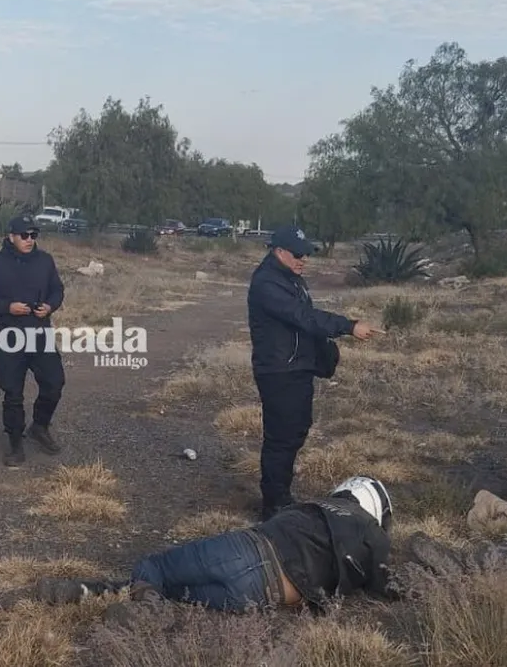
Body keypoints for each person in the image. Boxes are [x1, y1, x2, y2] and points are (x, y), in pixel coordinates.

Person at [36, 476, 396, 613]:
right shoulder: (374, 538)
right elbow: (387, 586)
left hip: (250, 549)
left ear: (350, 492)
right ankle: (93, 593)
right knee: (172, 593)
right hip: (264, 597)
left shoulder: (315, 506)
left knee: (156, 569)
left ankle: (130, 608)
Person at [247, 225, 381, 520]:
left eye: (306, 253)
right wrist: (348, 326)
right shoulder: (267, 283)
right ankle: (274, 506)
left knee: (295, 431)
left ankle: (281, 496)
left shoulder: (291, 278)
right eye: (297, 253)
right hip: (279, 371)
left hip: (296, 368)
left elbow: (304, 322)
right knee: (281, 438)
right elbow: (303, 317)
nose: (303, 258)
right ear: (278, 251)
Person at [0, 213, 66, 467]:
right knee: (13, 393)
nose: (29, 240)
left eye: (33, 235)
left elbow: (58, 289)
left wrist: (50, 306)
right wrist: (7, 307)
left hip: (40, 334)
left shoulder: (45, 261)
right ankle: (15, 444)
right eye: (24, 235)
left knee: (54, 383)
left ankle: (40, 426)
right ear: (11, 236)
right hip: (10, 336)